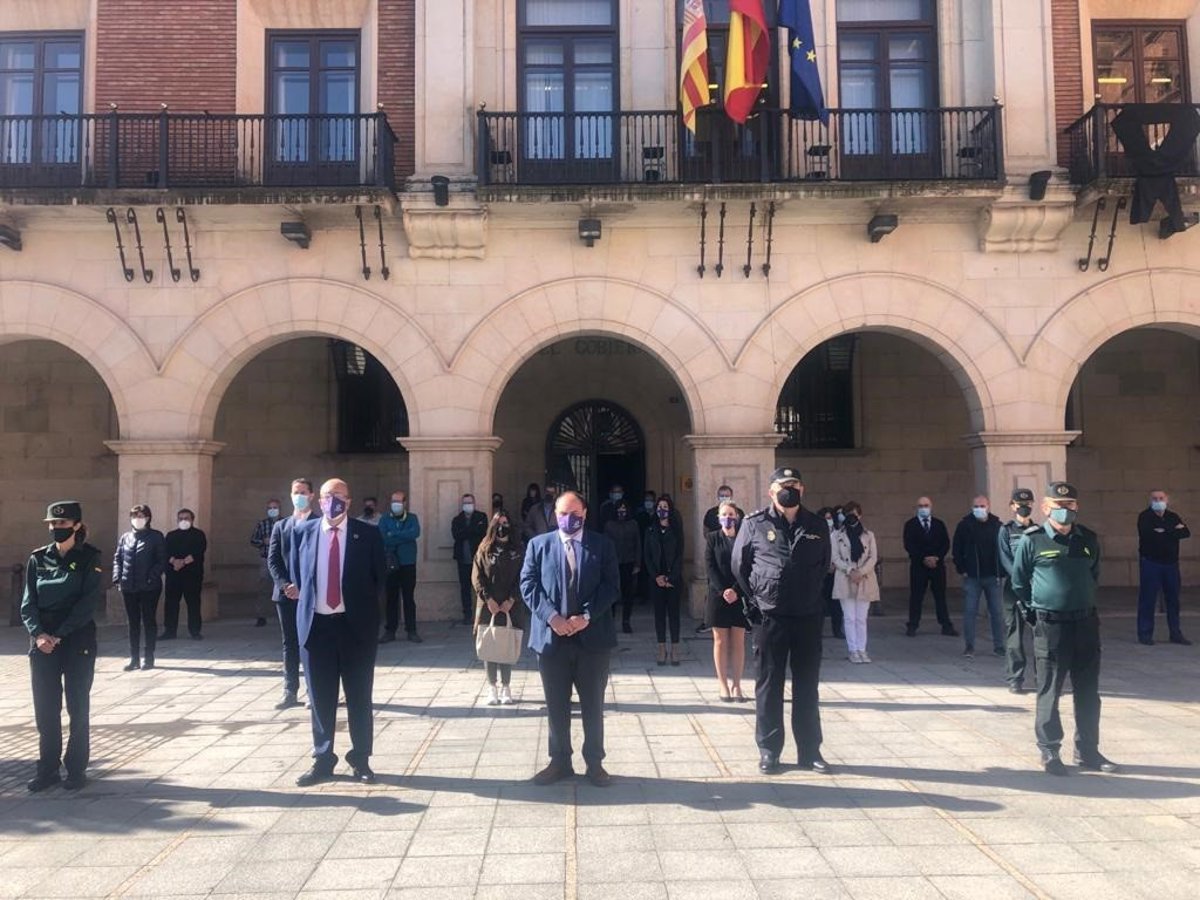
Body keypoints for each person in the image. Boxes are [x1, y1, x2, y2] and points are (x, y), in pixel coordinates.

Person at [1010, 482, 1118, 776]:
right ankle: (1049, 750)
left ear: (1076, 507)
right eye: (1058, 505)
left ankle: (1088, 751)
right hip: (1051, 625)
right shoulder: (1032, 540)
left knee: (1088, 691)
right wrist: (1034, 614)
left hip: (1085, 623)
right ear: (1045, 507)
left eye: (1069, 504)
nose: (1064, 510)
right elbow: (1019, 583)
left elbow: (1093, 574)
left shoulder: (1088, 539)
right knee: (1050, 690)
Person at [733, 467, 834, 776]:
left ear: (802, 489)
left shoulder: (816, 524)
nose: (789, 489)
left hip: (807, 616)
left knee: (807, 685)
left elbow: (824, 564)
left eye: (794, 484)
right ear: (771, 491)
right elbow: (739, 566)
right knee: (769, 684)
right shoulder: (754, 523)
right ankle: (769, 750)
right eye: (783, 485)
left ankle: (810, 751)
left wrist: (807, 592)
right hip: (770, 616)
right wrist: (757, 600)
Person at [290, 478, 386, 785]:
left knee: (359, 695)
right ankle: (323, 759)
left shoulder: (367, 534)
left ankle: (361, 759)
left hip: (354, 628)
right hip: (317, 627)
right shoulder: (303, 532)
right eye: (328, 495)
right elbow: (298, 575)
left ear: (349, 501)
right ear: (319, 501)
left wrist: (368, 618)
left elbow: (379, 579)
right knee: (320, 697)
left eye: (339, 495)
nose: (333, 501)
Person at [520, 490, 619, 787]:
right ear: (555, 514)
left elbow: (611, 586)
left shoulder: (602, 545)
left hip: (592, 640)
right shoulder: (538, 545)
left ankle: (595, 763)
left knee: (593, 705)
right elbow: (528, 585)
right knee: (556, 705)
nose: (568, 518)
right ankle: (559, 761)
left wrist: (585, 616)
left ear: (585, 514)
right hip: (552, 641)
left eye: (575, 513)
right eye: (563, 513)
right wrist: (552, 617)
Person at [22, 501, 102, 792]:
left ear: (76, 525)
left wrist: (58, 635)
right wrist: (39, 634)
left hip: (76, 638)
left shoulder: (90, 557)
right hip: (43, 641)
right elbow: (28, 602)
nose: (57, 528)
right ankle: (47, 769)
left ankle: (76, 769)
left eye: (63, 523)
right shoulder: (38, 558)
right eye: (53, 524)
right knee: (46, 708)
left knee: (77, 706)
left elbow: (87, 604)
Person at [268, 478, 316, 709]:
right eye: (296, 492)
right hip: (285, 596)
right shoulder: (281, 526)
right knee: (290, 643)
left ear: (312, 495)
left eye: (303, 492)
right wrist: (285, 585)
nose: (299, 496)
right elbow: (273, 560)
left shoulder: (319, 524)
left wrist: (304, 588)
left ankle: (313, 690)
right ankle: (290, 690)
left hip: (311, 596)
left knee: (312, 642)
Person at [472, 511, 527, 705]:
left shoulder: (518, 550)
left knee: (506, 645)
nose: (502, 528)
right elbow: (477, 576)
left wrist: (512, 599)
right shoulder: (484, 548)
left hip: (511, 606)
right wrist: (488, 598)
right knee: (490, 645)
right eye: (499, 524)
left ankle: (506, 686)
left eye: (506, 523)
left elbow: (524, 576)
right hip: (489, 606)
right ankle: (492, 687)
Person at [113, 504, 166, 672]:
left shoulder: (156, 536)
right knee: (133, 623)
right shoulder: (125, 537)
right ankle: (134, 658)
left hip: (149, 587)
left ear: (148, 518)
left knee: (149, 621)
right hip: (129, 586)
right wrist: (117, 577)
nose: (138, 519)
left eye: (141, 516)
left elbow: (162, 560)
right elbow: (118, 559)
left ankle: (149, 657)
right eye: (135, 516)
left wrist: (151, 577)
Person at [952, 495, 1005, 658]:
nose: (979, 509)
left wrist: (1001, 572)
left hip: (992, 576)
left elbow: (1004, 549)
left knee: (997, 613)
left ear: (988, 506)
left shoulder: (997, 525)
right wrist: (962, 569)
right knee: (970, 612)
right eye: (976, 506)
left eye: (982, 506)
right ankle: (969, 646)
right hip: (972, 576)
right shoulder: (965, 525)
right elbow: (957, 549)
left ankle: (999, 646)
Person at [705, 500, 749, 701]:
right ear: (719, 518)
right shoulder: (713, 538)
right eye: (724, 514)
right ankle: (723, 685)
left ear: (737, 517)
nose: (728, 518)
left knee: (738, 641)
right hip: (718, 595)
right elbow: (710, 566)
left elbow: (747, 566)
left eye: (731, 514)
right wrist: (724, 590)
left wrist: (736, 590)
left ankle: (737, 685)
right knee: (720, 641)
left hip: (739, 595)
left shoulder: (744, 538)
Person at [1136, 489, 1191, 646]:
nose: (1158, 501)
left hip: (1171, 564)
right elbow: (1148, 535)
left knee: (1173, 600)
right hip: (1151, 563)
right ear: (1150, 500)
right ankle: (1145, 634)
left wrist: (1163, 530)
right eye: (1155, 498)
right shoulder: (1145, 517)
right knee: (1148, 599)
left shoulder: (1173, 516)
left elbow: (1186, 533)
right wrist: (1173, 530)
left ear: (1167, 500)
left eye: (1161, 498)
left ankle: (1175, 633)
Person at [998, 488, 1039, 693]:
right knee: (1014, 635)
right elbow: (1005, 558)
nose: (1024, 507)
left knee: (1040, 635)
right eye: (1020, 504)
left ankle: (1042, 677)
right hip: (1014, 589)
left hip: (1036, 588)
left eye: (1028, 504)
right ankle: (1015, 678)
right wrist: (1020, 580)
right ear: (1012, 506)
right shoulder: (1006, 530)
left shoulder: (1039, 531)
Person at [832, 501, 880, 663]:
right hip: (846, 578)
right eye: (849, 514)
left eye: (855, 514)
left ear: (860, 515)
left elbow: (873, 557)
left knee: (861, 618)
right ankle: (853, 650)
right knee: (849, 617)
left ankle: (862, 649)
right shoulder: (836, 535)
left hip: (864, 578)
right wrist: (849, 570)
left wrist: (861, 571)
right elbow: (835, 557)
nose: (852, 518)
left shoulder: (869, 535)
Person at [903, 496, 957, 638]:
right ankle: (912, 625)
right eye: (920, 506)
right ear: (916, 508)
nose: (923, 508)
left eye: (926, 505)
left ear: (931, 507)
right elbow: (909, 545)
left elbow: (945, 543)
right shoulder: (910, 525)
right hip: (918, 566)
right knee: (916, 596)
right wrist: (924, 558)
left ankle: (946, 625)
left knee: (940, 596)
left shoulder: (939, 524)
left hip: (937, 566)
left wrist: (936, 557)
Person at [644, 495, 685, 666]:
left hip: (673, 580)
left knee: (674, 615)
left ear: (670, 509)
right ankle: (661, 648)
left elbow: (680, 555)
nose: (662, 510)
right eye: (659, 507)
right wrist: (656, 577)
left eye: (665, 507)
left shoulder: (676, 530)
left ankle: (675, 648)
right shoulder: (650, 530)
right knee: (659, 615)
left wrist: (670, 577)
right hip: (657, 580)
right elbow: (647, 556)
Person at [378, 489, 422, 643]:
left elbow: (414, 533)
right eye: (393, 501)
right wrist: (402, 536)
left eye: (398, 501)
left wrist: (394, 534)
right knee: (391, 598)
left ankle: (412, 630)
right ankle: (390, 631)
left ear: (405, 503)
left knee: (408, 597)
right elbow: (384, 537)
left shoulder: (412, 518)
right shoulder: (384, 519)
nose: (395, 504)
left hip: (408, 563)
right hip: (391, 564)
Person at [161, 508, 207, 640]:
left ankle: (195, 631)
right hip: (174, 575)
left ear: (192, 520)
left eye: (186, 518)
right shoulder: (171, 535)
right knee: (171, 603)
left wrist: (183, 562)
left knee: (193, 603)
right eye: (180, 518)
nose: (183, 521)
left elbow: (199, 551)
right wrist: (174, 561)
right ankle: (170, 631)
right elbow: (165, 552)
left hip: (192, 575)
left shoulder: (198, 535)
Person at [603, 500, 641, 634]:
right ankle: (611, 621)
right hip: (613, 563)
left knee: (628, 594)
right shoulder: (609, 525)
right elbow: (606, 545)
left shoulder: (633, 524)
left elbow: (638, 544)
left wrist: (637, 563)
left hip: (629, 562)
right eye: (619, 509)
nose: (622, 512)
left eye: (624, 509)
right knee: (612, 594)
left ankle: (626, 621)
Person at [452, 494, 490, 625]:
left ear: (474, 503)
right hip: (463, 559)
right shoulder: (457, 520)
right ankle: (467, 615)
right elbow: (456, 535)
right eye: (465, 503)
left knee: (481, 586)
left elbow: (483, 533)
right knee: (465, 588)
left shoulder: (481, 517)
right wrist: (472, 530)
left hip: (478, 560)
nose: (467, 505)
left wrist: (467, 531)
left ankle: (481, 614)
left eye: (469, 502)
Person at [249, 499, 281, 626]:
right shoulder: (262, 524)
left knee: (283, 588)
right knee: (263, 588)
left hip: (281, 561)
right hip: (265, 559)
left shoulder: (285, 523)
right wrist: (263, 542)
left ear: (279, 508)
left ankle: (283, 615)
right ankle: (261, 616)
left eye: (275, 507)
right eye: (270, 508)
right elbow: (253, 540)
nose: (272, 510)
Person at [816, 507, 845, 639]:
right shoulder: (816, 533)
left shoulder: (839, 533)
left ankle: (837, 630)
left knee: (836, 604)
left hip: (835, 572)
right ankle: (818, 631)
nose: (829, 520)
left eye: (830, 518)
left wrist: (835, 564)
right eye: (826, 518)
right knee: (819, 604)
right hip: (820, 573)